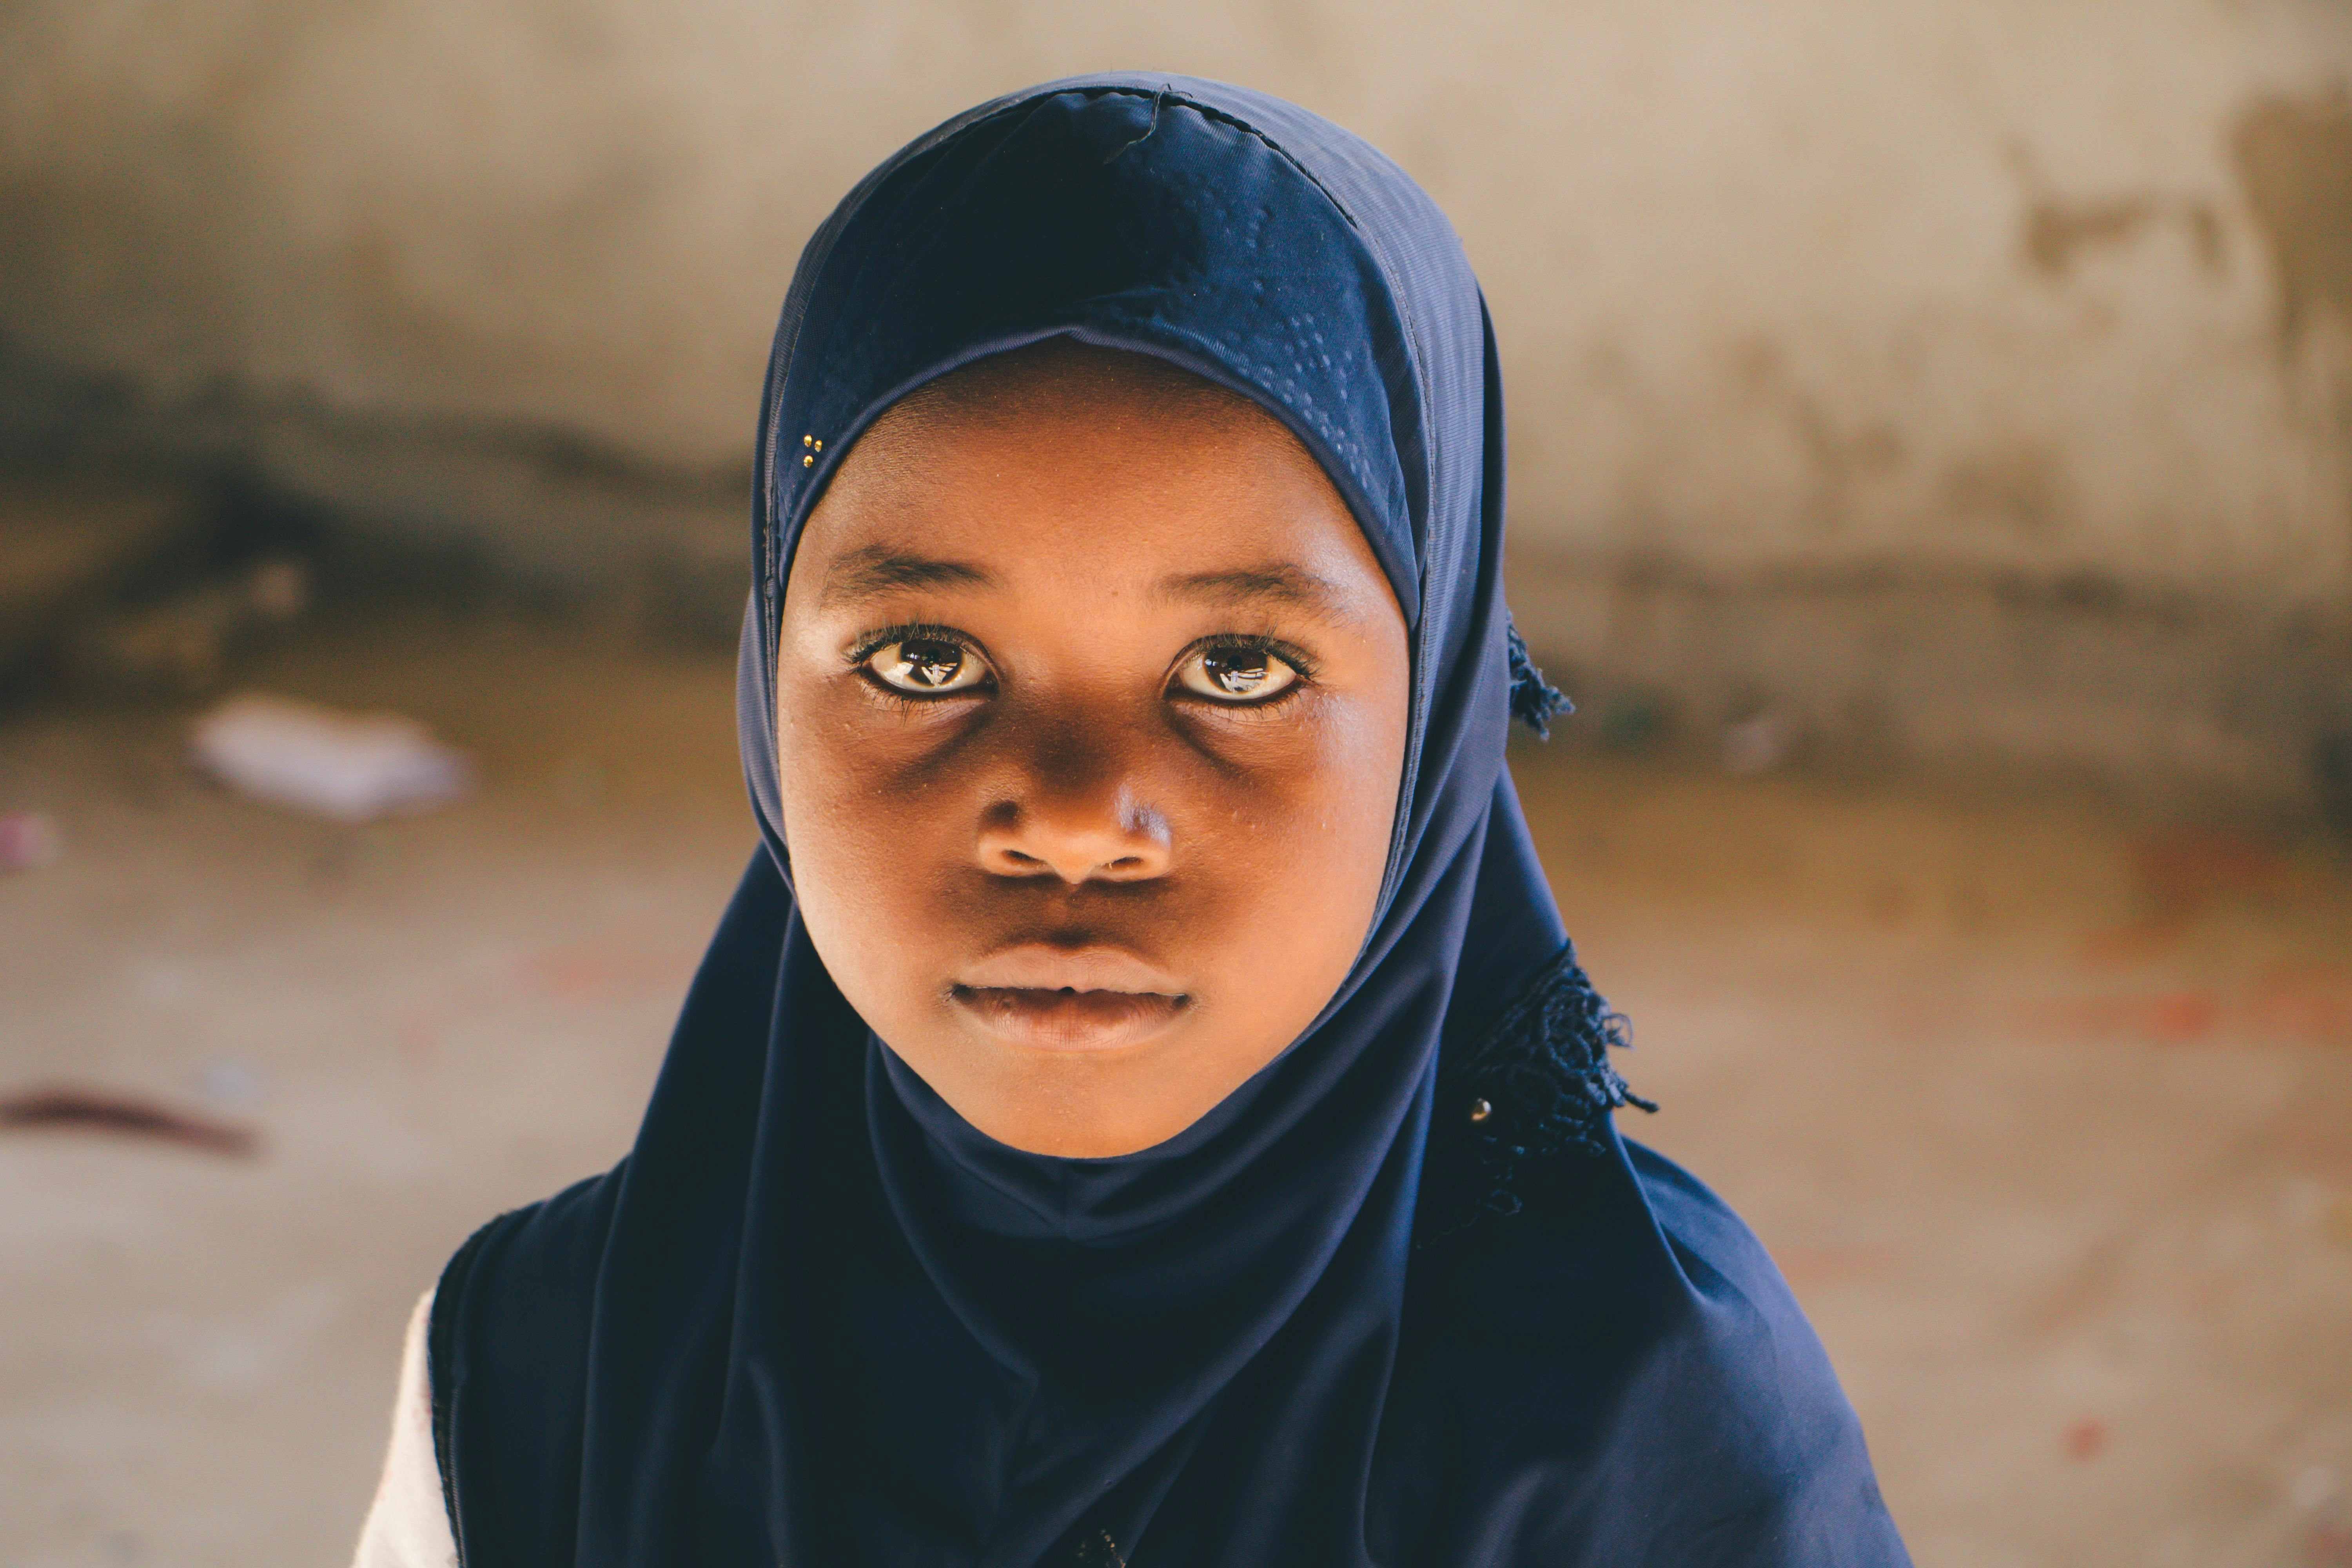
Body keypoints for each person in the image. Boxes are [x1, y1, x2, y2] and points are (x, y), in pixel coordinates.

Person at [352, 74, 1911, 1567]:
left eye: (1236, 668)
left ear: (1437, 724)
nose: (1081, 823)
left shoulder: (1634, 1425)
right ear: (771, 685)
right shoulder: (533, 1377)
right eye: (924, 660)